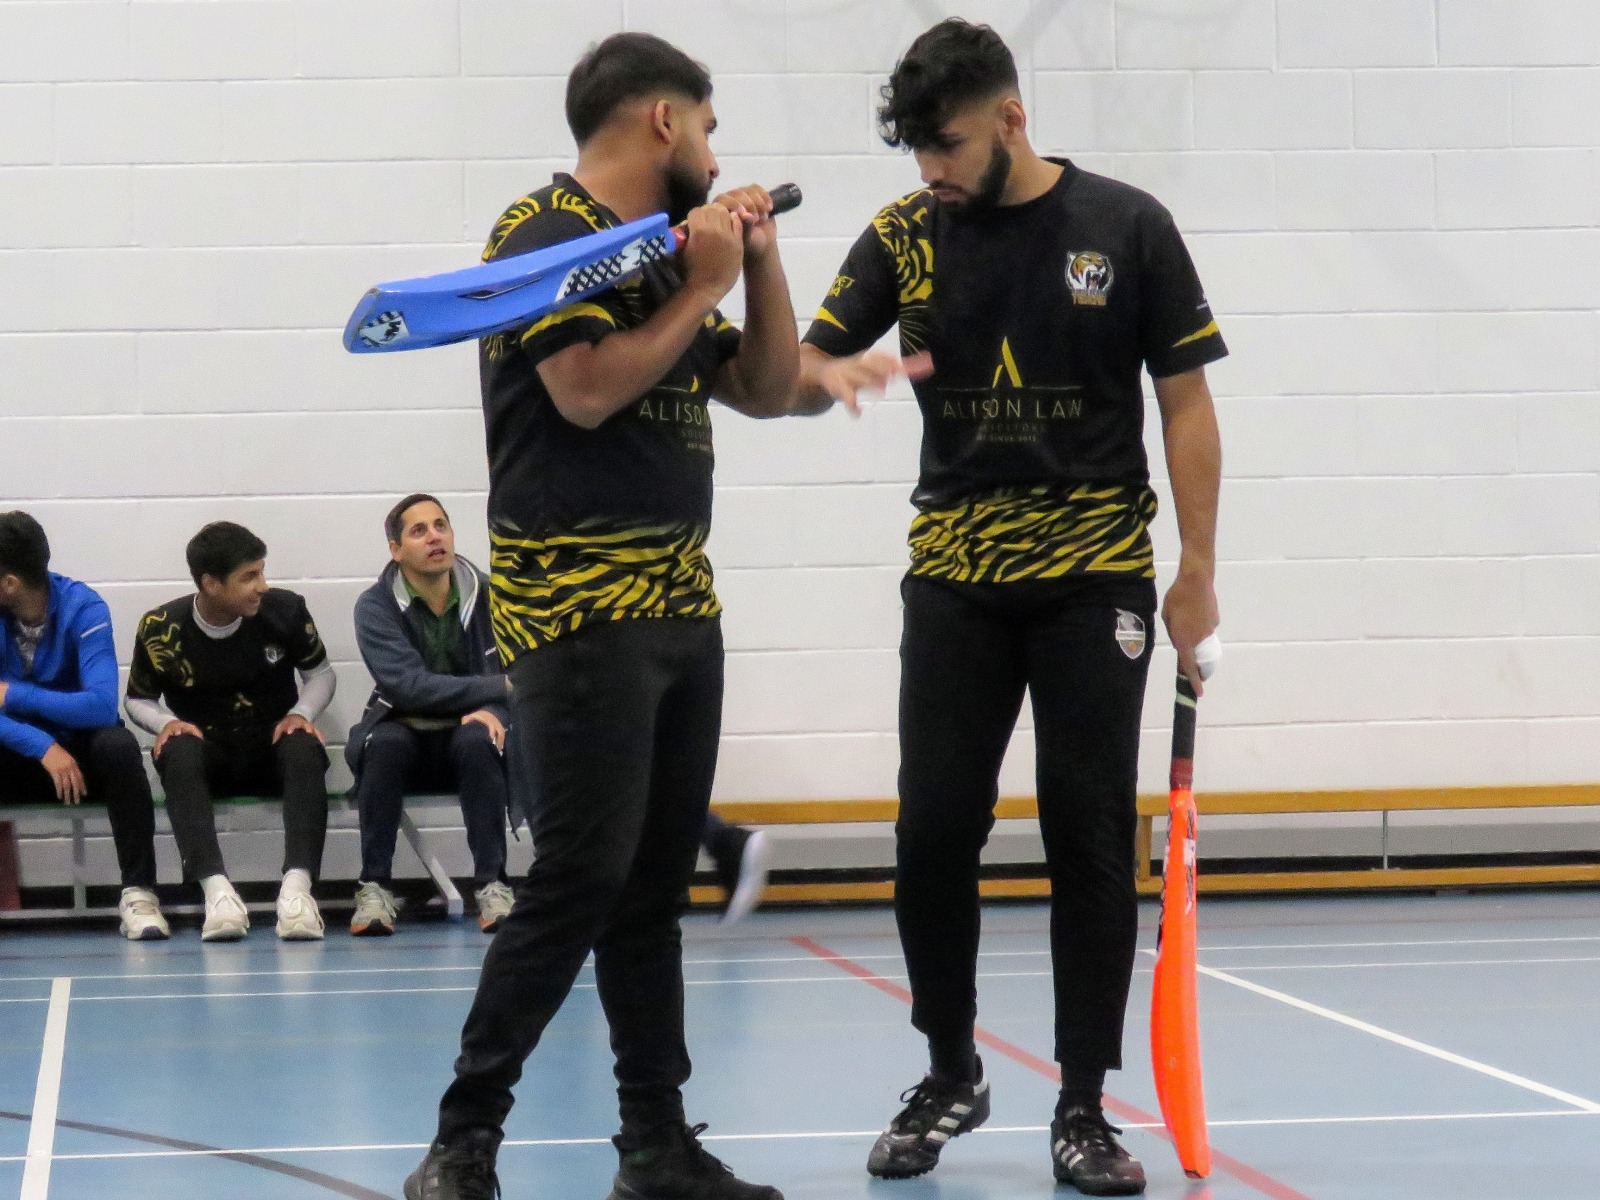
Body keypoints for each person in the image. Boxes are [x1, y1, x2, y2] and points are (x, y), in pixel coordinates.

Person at [793, 20, 1226, 1196]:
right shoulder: (905, 235)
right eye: (916, 151)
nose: (930, 170)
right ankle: (949, 1074)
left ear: (1012, 118)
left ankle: (1083, 1102)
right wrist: (825, 372)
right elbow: (793, 368)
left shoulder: (1124, 226)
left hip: (1095, 581)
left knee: (1089, 837)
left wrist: (1194, 567)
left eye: (947, 144)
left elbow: (1183, 403)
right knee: (932, 832)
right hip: (954, 582)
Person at [405, 32, 806, 1200]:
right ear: (665, 124)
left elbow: (771, 390)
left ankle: (655, 1147)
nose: (721, 149)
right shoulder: (539, 237)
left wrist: (758, 263)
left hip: (683, 603)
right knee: (579, 879)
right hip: (579, 606)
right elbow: (580, 393)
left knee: (648, 893)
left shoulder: (670, 254)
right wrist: (699, 285)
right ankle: (462, 1141)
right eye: (712, 124)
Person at [124, 521, 337, 942]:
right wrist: (165, 723)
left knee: (304, 744)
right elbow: (136, 699)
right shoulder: (160, 627)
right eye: (249, 576)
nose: (263, 585)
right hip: (208, 748)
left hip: (270, 742)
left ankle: (297, 892)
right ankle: (217, 893)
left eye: (261, 571)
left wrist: (301, 711)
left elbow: (322, 674)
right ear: (212, 584)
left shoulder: (286, 611)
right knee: (175, 749)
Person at [347, 493, 518, 936]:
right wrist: (495, 689)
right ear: (396, 550)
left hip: (471, 734)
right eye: (418, 530)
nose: (434, 536)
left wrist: (491, 707)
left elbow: (524, 675)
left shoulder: (495, 596)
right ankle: (375, 889)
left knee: (481, 741)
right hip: (404, 731)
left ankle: (493, 886)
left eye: (441, 525)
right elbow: (408, 687)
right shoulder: (374, 606)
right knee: (382, 744)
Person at [0, 511, 167, 940]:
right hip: (22, 755)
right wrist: (41, 745)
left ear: (10, 583)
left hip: (83, 758)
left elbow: (98, 706)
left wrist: (11, 695)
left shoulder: (84, 606)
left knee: (119, 746)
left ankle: (139, 894)